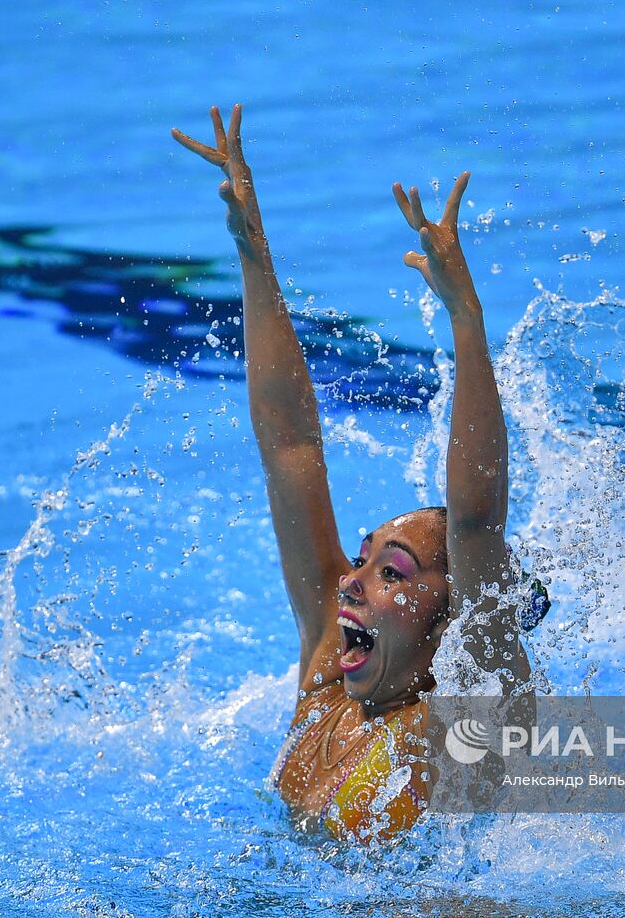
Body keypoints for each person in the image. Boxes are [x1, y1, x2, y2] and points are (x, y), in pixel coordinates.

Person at [171, 105, 534, 841]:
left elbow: (474, 520)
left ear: (452, 621)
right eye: (364, 561)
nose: (349, 580)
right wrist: (252, 251)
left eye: (391, 573)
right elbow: (290, 447)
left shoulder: (468, 715)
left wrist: (466, 320)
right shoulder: (326, 673)